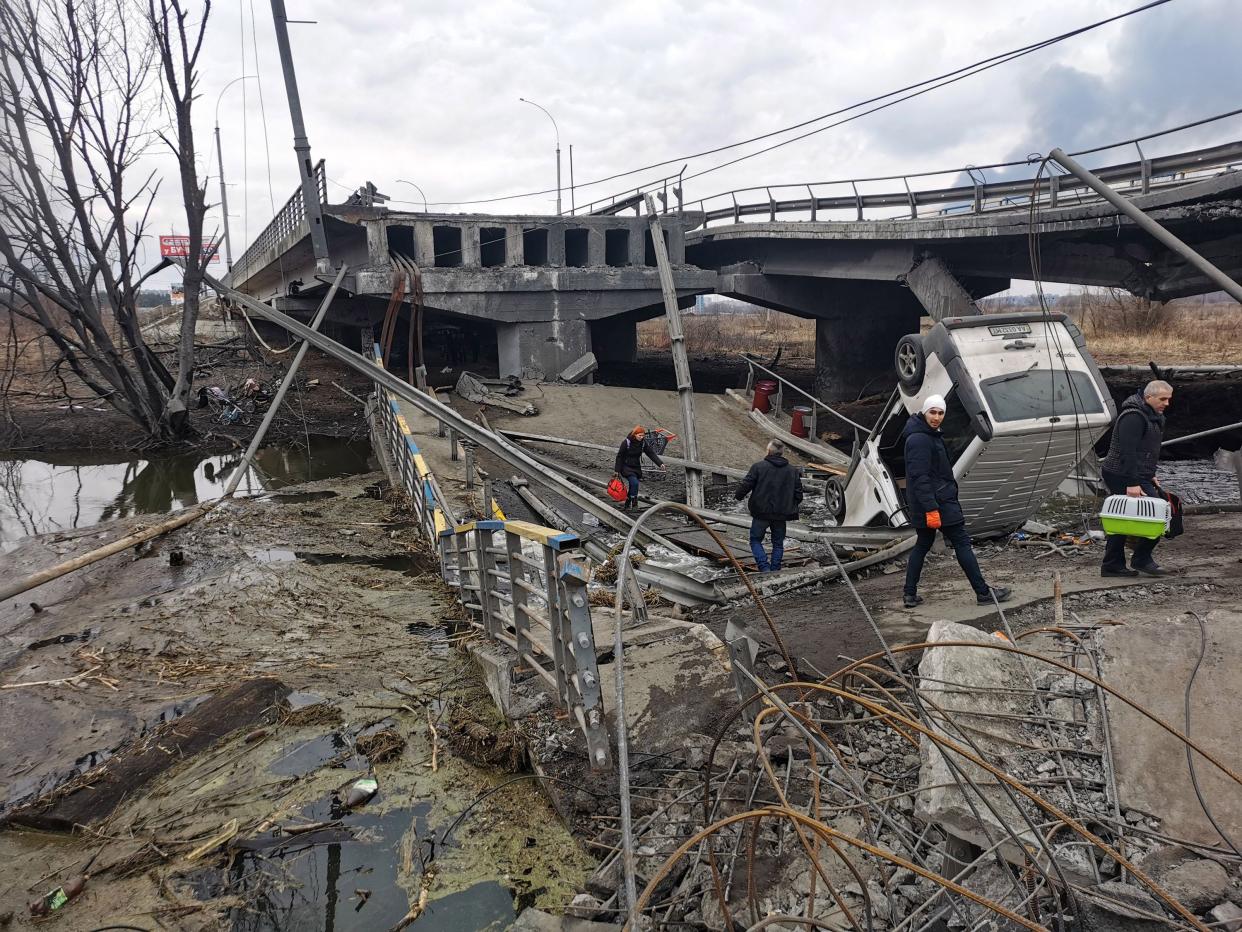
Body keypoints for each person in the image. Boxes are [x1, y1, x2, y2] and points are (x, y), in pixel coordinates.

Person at [903, 394, 1012, 608]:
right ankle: (983, 593)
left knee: (923, 544)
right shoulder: (920, 439)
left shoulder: (927, 434)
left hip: (933, 502)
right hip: (938, 503)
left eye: (940, 413)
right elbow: (919, 477)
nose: (936, 417)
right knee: (962, 542)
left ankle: (909, 594)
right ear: (924, 412)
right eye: (932, 412)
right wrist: (932, 509)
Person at [1099, 379, 1174, 577]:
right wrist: (1132, 483)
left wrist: (1151, 474)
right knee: (1157, 513)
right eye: (1163, 399)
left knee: (1125, 518)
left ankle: (1115, 564)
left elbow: (1147, 449)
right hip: (1121, 473)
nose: (1166, 404)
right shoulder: (1133, 417)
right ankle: (1138, 559)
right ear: (1148, 397)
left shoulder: (1153, 415)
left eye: (1169, 399)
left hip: (1139, 473)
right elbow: (1128, 452)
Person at [736, 439, 803, 573]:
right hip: (782, 513)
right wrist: (791, 505)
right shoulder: (792, 471)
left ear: (768, 451)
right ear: (782, 453)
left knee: (755, 540)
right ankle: (775, 569)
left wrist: (738, 496)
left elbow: (746, 484)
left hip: (761, 512)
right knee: (778, 543)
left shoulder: (758, 467)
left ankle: (764, 568)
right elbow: (799, 493)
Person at [613, 426, 663, 511]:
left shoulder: (643, 443)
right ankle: (635, 504)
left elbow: (650, 453)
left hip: (636, 467)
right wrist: (617, 470)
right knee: (635, 483)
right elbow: (619, 457)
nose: (641, 437)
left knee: (633, 485)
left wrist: (660, 463)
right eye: (639, 435)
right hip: (626, 467)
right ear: (635, 435)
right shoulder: (626, 442)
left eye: (643, 435)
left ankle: (627, 505)